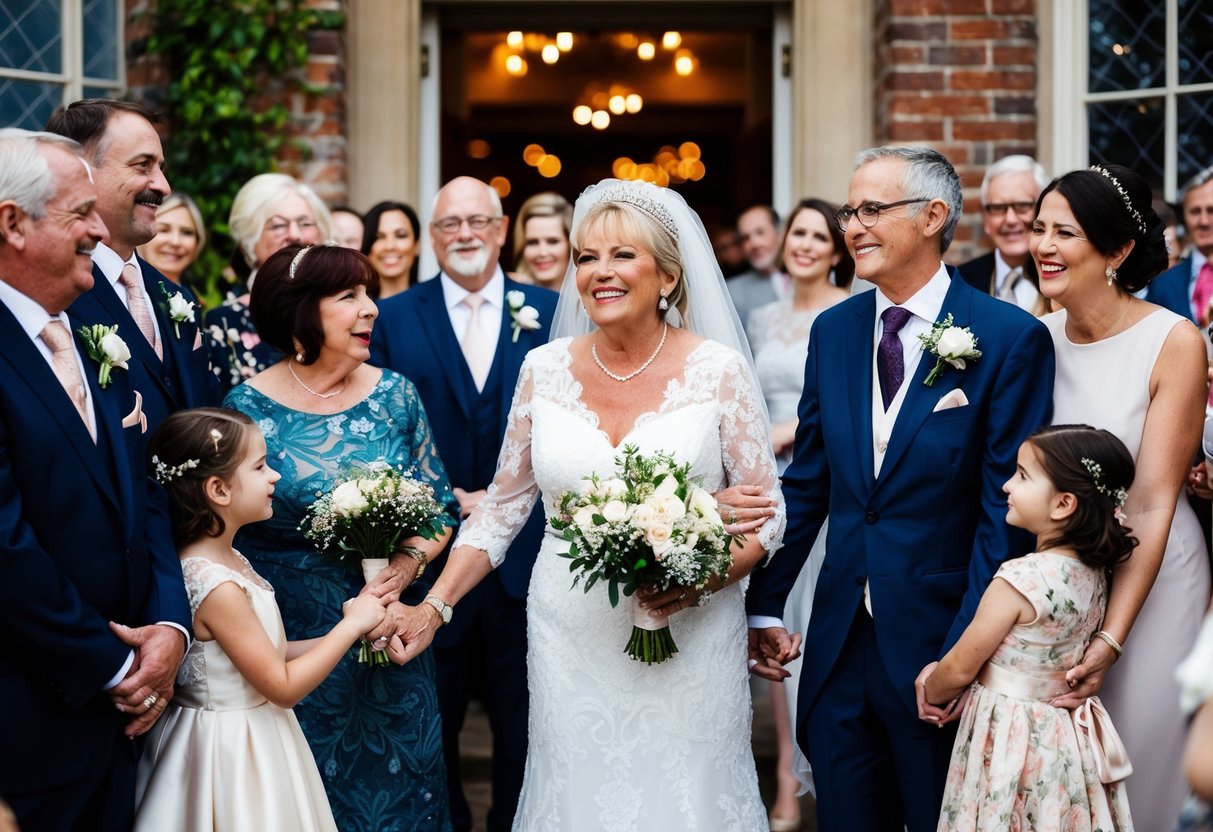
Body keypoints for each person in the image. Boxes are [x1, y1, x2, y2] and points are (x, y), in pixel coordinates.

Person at [390, 178, 785, 830]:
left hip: (688, 631)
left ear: (667, 274)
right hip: (570, 634)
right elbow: (503, 507)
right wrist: (434, 608)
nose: (599, 272)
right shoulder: (543, 369)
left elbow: (766, 512)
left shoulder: (716, 370)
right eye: (586, 257)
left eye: (621, 255)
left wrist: (700, 577)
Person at [746, 146, 1056, 832]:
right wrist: (764, 604)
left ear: (932, 217)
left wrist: (961, 654)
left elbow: (1000, 515)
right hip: (835, 648)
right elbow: (810, 481)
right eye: (848, 211)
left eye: (871, 210)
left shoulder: (1009, 338)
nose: (851, 225)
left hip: (938, 646)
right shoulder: (834, 331)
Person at [225, 243, 459, 831]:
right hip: (295, 648)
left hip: (389, 636)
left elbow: (439, 509)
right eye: (349, 296)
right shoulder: (246, 409)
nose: (372, 309)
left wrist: (398, 578)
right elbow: (222, 529)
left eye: (370, 293)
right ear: (302, 312)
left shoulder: (397, 396)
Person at [0, 128, 190, 831]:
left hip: (127, 720)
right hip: (32, 718)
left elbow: (142, 490)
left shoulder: (87, 329)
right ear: (13, 223)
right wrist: (115, 667)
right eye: (79, 214)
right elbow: (5, 542)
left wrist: (171, 625)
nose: (97, 229)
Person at [368, 176, 558, 832]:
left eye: (478, 221)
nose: (465, 234)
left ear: (502, 230)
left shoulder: (552, 308)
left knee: (525, 721)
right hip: (430, 555)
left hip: (530, 556)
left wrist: (509, 498)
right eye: (449, 224)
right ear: (432, 236)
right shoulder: (392, 318)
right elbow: (380, 427)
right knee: (432, 719)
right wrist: (440, 494)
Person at [1032, 163, 1209, 831]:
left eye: (1063, 232)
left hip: (1155, 574)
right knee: (1063, 774)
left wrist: (1108, 638)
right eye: (1039, 229)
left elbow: (1152, 501)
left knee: (1141, 762)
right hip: (1060, 580)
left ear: (1115, 250)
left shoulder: (1172, 342)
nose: (1042, 245)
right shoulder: (1035, 339)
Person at [135, 407, 394, 832]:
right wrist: (350, 624)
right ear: (218, 489)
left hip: (260, 733)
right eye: (260, 466)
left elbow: (269, 654)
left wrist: (352, 632)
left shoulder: (230, 560)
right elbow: (282, 686)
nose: (274, 476)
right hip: (228, 752)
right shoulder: (214, 583)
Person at [917, 425, 1136, 830]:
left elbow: (961, 668)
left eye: (1021, 476)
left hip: (1009, 743)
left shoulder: (1019, 579)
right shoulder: (1094, 574)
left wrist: (931, 682)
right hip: (1064, 742)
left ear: (1063, 504)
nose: (1005, 485)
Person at [747, 197, 853, 831]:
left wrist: (790, 432)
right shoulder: (761, 319)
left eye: (820, 236)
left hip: (823, 484)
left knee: (817, 626)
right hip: (767, 487)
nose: (806, 244)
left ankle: (828, 762)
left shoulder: (848, 314)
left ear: (837, 252)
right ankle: (788, 772)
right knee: (775, 623)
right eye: (799, 233)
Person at [46, 98, 211, 435]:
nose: (163, 186)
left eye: (161, 167)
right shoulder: (51, 301)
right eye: (142, 165)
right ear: (80, 172)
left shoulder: (175, 295)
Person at [205, 173, 331, 395]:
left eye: (305, 223)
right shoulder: (224, 322)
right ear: (249, 242)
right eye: (278, 225)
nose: (295, 235)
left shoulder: (340, 311)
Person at [957, 155, 1049, 315]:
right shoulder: (962, 282)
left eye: (1022, 205)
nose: (1010, 220)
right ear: (985, 218)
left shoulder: (1064, 277)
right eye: (998, 207)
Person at [1147, 166, 1213, 325]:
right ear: (1184, 217)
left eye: (1211, 210)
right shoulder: (1164, 283)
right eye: (1195, 212)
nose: (1203, 221)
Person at [728, 204, 785, 331]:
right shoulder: (732, 292)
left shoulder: (812, 277)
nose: (754, 243)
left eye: (760, 232)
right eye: (745, 238)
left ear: (780, 233)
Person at [139, 193, 207, 288]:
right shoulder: (125, 294)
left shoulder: (194, 297)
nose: (175, 242)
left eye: (187, 232)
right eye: (164, 230)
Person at [511, 191, 572, 290]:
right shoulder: (508, 293)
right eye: (533, 242)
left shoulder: (590, 298)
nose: (542, 252)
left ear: (571, 245)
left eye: (553, 241)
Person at [362, 200, 422, 298]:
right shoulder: (352, 309)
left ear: (416, 245)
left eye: (401, 235)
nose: (390, 246)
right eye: (379, 237)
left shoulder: (437, 301)